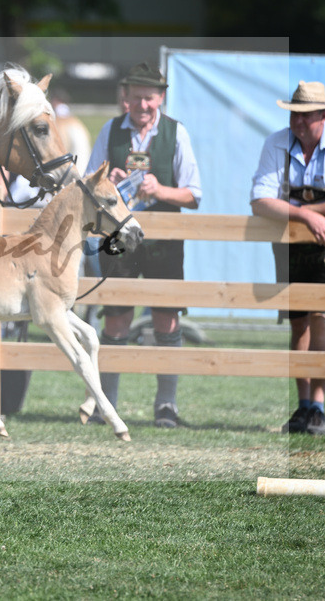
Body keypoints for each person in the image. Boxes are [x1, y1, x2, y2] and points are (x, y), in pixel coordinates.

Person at [84, 61, 202, 429]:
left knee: (166, 319)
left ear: (161, 98)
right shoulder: (110, 130)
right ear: (126, 98)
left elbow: (194, 195)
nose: (143, 105)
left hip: (164, 241)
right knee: (117, 318)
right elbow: (89, 184)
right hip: (118, 240)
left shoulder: (175, 133)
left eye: (149, 99)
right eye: (136, 98)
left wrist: (160, 190)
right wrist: (109, 180)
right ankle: (109, 405)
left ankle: (166, 406)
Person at [250, 81, 325, 436]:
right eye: (294, 115)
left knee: (322, 319)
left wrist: (302, 211)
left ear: (323, 115)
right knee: (297, 321)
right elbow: (258, 201)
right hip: (291, 244)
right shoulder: (276, 142)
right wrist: (308, 217)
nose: (298, 123)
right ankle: (302, 407)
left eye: (305, 116)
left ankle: (318, 406)